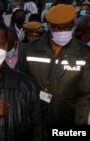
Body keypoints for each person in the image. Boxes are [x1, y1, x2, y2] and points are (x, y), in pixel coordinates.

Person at [17, 4, 90, 140]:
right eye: (57, 28)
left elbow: (85, 97)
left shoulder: (84, 54)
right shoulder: (30, 50)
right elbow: (19, 84)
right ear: (49, 26)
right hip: (32, 124)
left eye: (67, 27)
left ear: (73, 25)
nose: (62, 31)